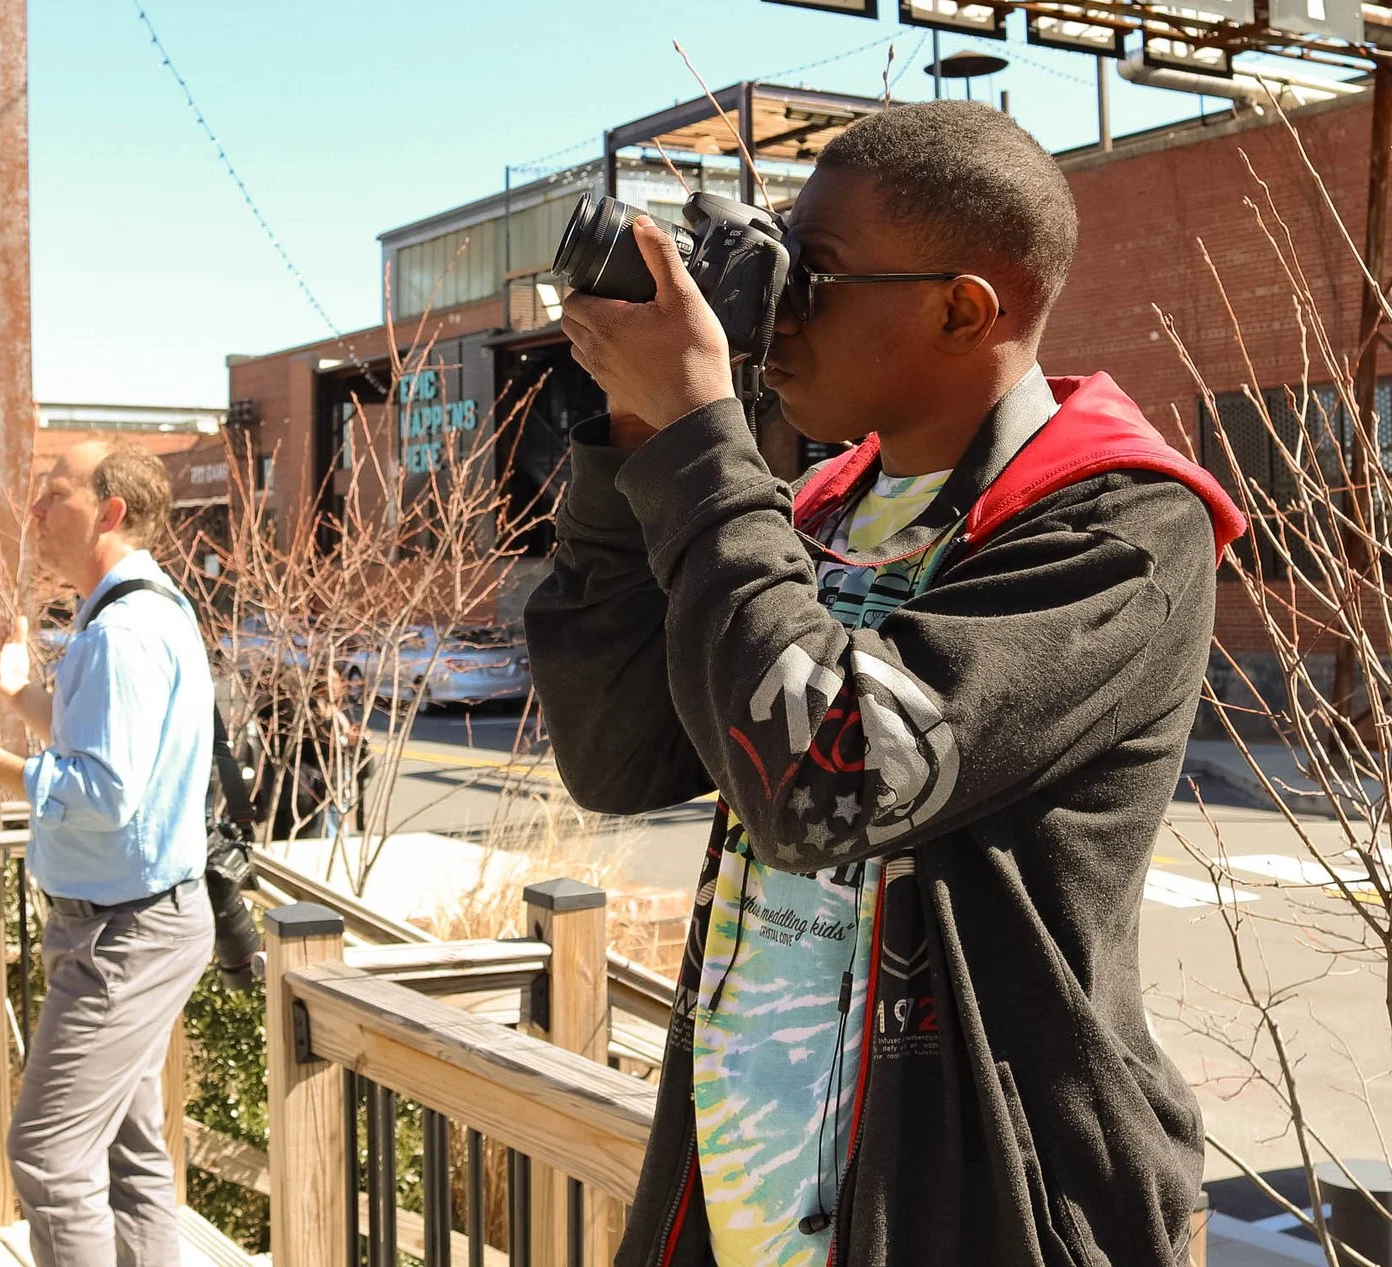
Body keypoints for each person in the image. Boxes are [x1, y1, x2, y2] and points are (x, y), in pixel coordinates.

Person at [527, 101, 1247, 1267]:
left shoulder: (1119, 527)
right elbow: (616, 753)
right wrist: (632, 436)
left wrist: (707, 435)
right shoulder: (811, 513)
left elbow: (831, 777)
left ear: (964, 306)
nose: (773, 309)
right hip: (747, 1194)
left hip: (982, 1202)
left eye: (811, 274)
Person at [0, 440, 215, 1267]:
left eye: (54, 495)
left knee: (47, 1156)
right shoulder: (154, 610)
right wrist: (17, 698)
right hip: (147, 922)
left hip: (123, 935)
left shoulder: (118, 634)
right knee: (129, 1156)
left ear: (110, 512)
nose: (37, 513)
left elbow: (100, 791)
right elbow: (106, 754)